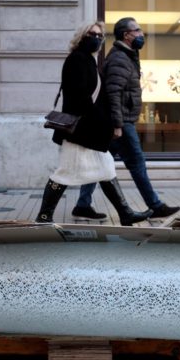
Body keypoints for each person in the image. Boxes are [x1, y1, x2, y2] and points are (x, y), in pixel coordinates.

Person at [36, 21, 153, 226]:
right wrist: (105, 124)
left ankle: (125, 213)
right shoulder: (76, 60)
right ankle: (44, 216)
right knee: (64, 173)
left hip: (89, 132)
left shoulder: (88, 60)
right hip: (80, 132)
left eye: (100, 35)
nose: (97, 38)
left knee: (106, 168)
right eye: (92, 34)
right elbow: (80, 99)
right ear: (82, 36)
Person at [72, 17, 180, 221]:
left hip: (119, 121)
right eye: (137, 31)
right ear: (127, 35)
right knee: (137, 162)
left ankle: (82, 205)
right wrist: (118, 125)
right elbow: (113, 94)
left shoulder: (128, 56)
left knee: (100, 164)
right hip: (120, 123)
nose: (141, 35)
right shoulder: (120, 59)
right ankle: (155, 206)